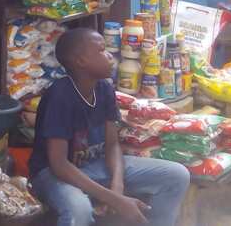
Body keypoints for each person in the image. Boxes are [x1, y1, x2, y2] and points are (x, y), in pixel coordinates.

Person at [29, 28, 190, 226]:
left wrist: (117, 186)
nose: (110, 57)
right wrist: (114, 199)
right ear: (80, 61)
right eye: (101, 50)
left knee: (177, 175)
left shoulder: (104, 89)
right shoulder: (59, 96)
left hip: (96, 166)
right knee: (79, 211)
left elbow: (113, 145)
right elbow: (59, 164)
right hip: (53, 174)